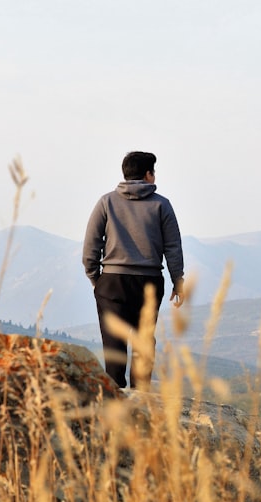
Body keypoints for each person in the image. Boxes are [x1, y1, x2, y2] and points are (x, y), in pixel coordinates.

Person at [82, 151, 185, 389]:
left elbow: (91, 245)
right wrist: (177, 281)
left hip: (112, 281)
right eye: (153, 171)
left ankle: (115, 402)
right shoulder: (162, 205)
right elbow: (173, 247)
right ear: (148, 174)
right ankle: (141, 400)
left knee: (114, 345)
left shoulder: (106, 202)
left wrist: (96, 279)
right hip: (148, 282)